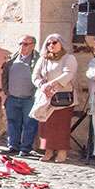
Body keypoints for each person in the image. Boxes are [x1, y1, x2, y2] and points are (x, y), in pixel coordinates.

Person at [30, 34, 78, 162]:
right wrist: (41, 85)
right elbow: (35, 75)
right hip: (45, 95)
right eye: (48, 43)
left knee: (61, 125)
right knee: (46, 125)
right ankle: (48, 150)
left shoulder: (69, 58)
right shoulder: (43, 59)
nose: (51, 45)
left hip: (62, 96)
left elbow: (68, 74)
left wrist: (51, 84)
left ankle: (62, 151)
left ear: (61, 43)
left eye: (54, 42)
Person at [1, 36, 40, 157]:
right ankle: (13, 146)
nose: (22, 46)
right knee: (12, 122)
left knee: (29, 123)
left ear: (33, 45)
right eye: (20, 43)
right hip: (12, 97)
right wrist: (6, 92)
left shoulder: (38, 60)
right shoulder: (12, 60)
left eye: (26, 44)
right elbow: (4, 77)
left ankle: (25, 148)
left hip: (29, 98)